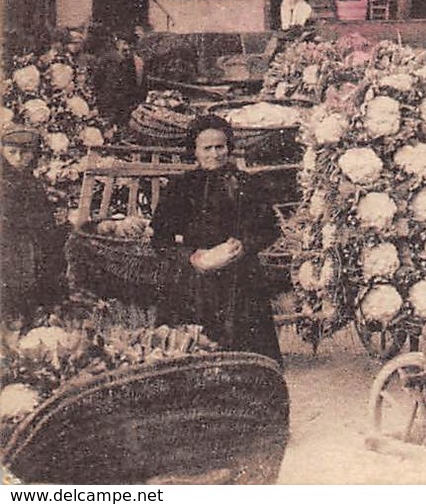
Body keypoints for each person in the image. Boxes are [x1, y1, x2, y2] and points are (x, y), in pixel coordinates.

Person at [150, 116, 282, 363]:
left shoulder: (247, 183)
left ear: (229, 148)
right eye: (206, 148)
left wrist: (245, 247)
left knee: (247, 359)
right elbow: (160, 239)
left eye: (220, 147)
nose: (214, 154)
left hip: (240, 277)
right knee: (189, 356)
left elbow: (270, 229)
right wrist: (191, 256)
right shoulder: (180, 186)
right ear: (195, 151)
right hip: (194, 277)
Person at [0, 129, 67, 322]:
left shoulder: (32, 183)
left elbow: (42, 215)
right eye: (12, 152)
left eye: (25, 152)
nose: (19, 158)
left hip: (30, 242)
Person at [89, 29, 143, 129]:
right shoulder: (107, 59)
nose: (128, 48)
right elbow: (97, 81)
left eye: (131, 45)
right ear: (118, 43)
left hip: (125, 103)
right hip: (109, 102)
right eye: (124, 43)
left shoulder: (135, 62)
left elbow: (138, 83)